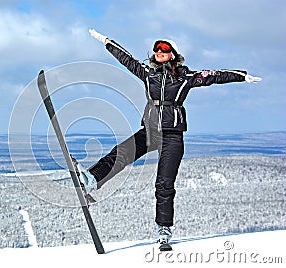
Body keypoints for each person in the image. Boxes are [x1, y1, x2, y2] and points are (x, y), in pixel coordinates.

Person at [76, 29, 262, 248]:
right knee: (122, 152)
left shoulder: (185, 77)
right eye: (156, 49)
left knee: (164, 184)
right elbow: (126, 59)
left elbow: (215, 76)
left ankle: (164, 230)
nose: (158, 52)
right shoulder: (147, 73)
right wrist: (106, 42)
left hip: (173, 135)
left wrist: (242, 76)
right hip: (151, 131)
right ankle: (92, 179)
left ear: (172, 53)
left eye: (164, 49)